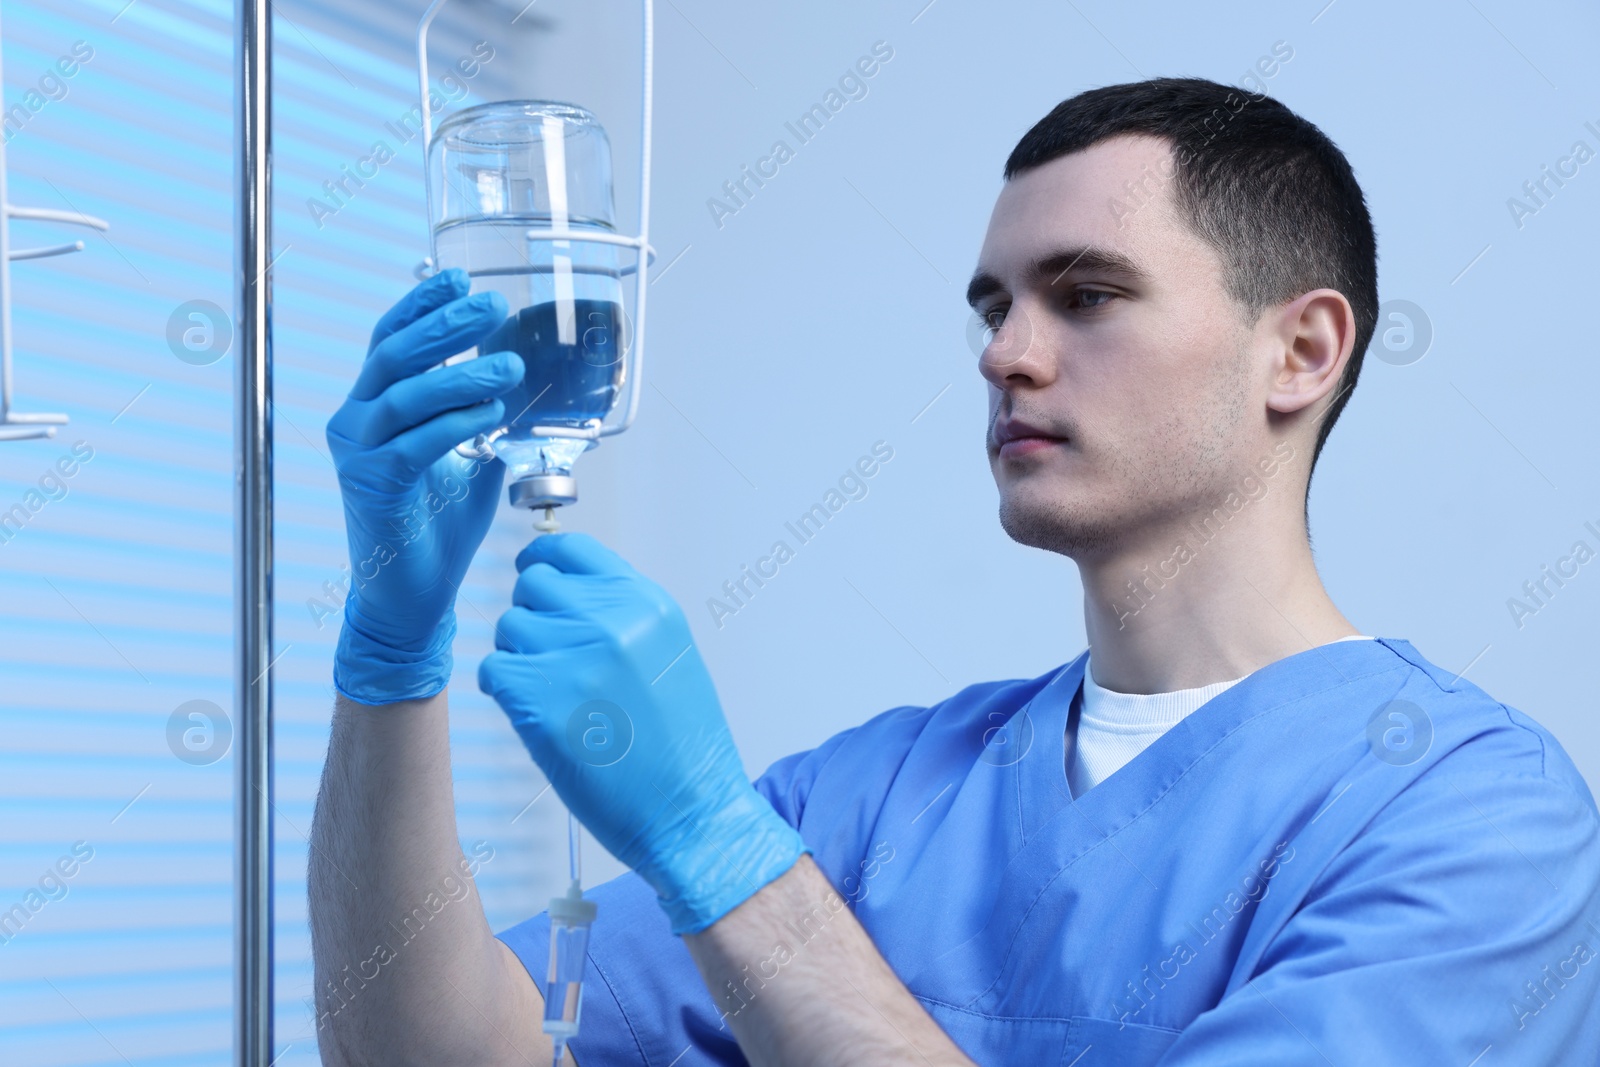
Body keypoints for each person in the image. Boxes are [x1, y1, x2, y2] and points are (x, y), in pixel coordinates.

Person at [308, 77, 1600, 1066]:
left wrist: (723, 856)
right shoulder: (881, 795)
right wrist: (389, 667)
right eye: (994, 308)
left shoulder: (1474, 821)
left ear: (1302, 351)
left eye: (1086, 294)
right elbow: (441, 1050)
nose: (1006, 357)